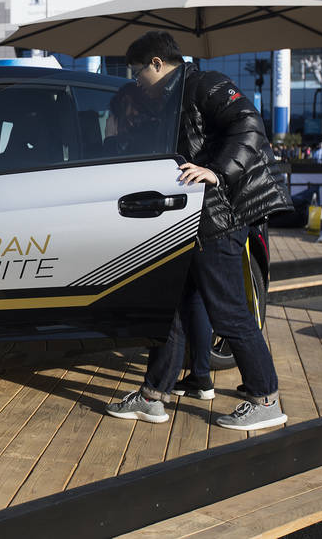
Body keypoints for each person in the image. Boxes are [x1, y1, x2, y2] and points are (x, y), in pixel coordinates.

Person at [106, 30, 291, 431]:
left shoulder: (204, 84)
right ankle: (154, 395)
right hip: (186, 219)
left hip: (217, 220)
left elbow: (249, 123)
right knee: (169, 309)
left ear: (157, 63)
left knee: (229, 312)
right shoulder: (166, 96)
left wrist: (218, 171)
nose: (136, 80)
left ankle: (266, 399)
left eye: (138, 72)